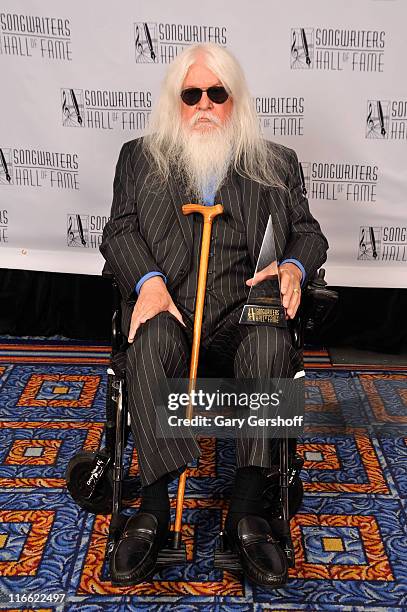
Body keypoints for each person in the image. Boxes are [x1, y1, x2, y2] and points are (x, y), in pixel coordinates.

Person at [100, 43, 328, 587]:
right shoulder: (138, 157)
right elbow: (119, 231)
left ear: (234, 101)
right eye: (191, 94)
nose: (204, 104)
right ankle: (153, 510)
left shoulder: (276, 163)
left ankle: (248, 510)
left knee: (273, 343)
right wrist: (149, 285)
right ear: (176, 102)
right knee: (151, 342)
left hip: (241, 316)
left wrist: (294, 266)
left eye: (217, 93)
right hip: (169, 311)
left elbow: (309, 232)